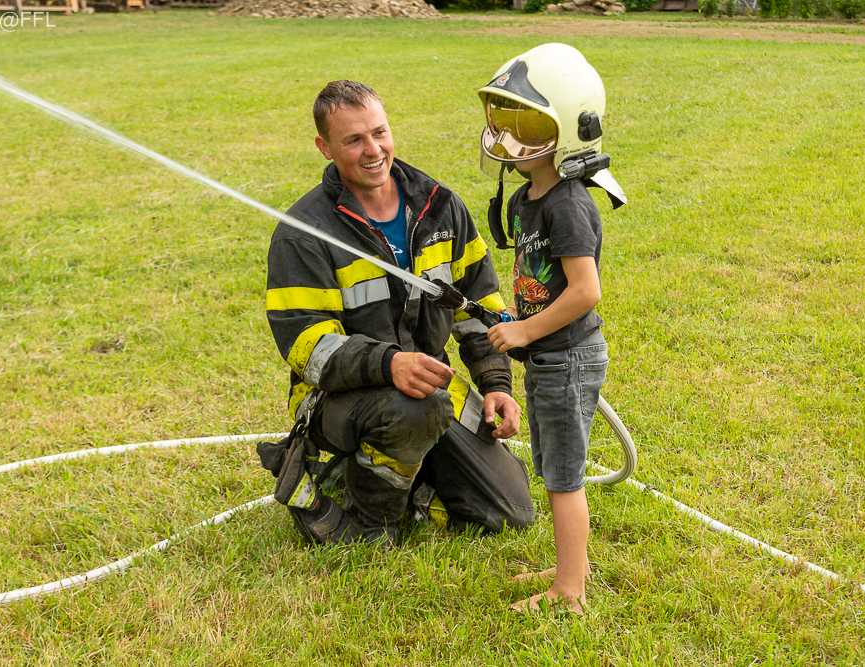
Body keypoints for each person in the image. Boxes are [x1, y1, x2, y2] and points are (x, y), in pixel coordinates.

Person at [260, 80, 534, 549]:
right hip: (334, 398)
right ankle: (369, 522)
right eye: (353, 140)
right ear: (324, 147)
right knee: (415, 410)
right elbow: (309, 349)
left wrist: (496, 386)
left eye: (379, 132)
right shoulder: (304, 233)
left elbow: (481, 308)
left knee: (510, 511)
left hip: (428, 387)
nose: (373, 150)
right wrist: (390, 364)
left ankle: (384, 475)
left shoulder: (440, 207)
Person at [479, 44, 623, 614]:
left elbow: (586, 291)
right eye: (505, 117)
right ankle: (572, 565)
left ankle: (569, 592)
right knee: (552, 468)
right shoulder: (526, 197)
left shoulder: (567, 204)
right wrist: (519, 323)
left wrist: (525, 331)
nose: (510, 135)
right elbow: (539, 278)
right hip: (546, 353)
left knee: (564, 479)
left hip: (568, 358)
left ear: (567, 130)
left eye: (528, 122)